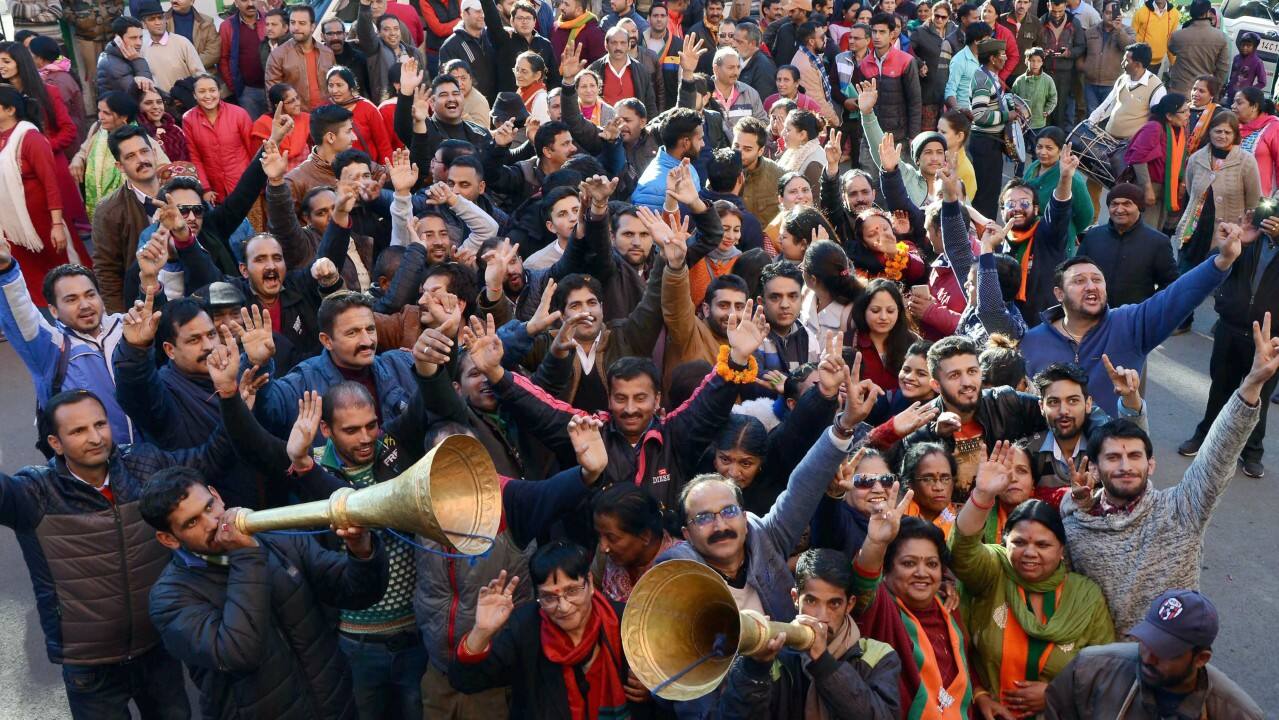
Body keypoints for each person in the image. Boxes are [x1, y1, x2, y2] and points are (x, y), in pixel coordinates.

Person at [0, 387, 242, 719]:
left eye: (100, 424)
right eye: (78, 431)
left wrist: (234, 403)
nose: (95, 437)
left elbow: (206, 459)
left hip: (158, 647)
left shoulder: (144, 464)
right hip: (90, 667)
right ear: (55, 443)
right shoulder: (34, 492)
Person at [1053, 284, 1279, 639]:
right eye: (1113, 457)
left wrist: (1251, 385)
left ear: (1152, 465)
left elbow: (1218, 455)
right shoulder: (1075, 524)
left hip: (1175, 659)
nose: (1125, 465)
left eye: (1135, 457)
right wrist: (1076, 506)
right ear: (1093, 468)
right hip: (1103, 660)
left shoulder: (1181, 511)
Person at [143, 465, 387, 720]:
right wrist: (246, 556)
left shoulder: (277, 537)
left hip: (335, 706)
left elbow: (357, 592)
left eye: (209, 507)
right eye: (192, 522)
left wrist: (361, 550)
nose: (212, 522)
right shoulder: (169, 598)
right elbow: (239, 653)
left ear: (217, 495)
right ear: (169, 539)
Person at [951, 443, 1115, 718]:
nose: (1029, 552)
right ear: (1005, 543)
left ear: (1061, 550)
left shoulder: (1086, 596)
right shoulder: (995, 570)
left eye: (1042, 545)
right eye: (1019, 543)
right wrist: (982, 494)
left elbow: (1106, 670)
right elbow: (962, 551)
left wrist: (1057, 694)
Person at [448, 542, 638, 716]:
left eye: (572, 591)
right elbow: (465, 681)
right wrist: (481, 632)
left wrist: (648, 687)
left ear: (589, 582)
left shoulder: (624, 622)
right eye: (549, 597)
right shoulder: (525, 629)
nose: (563, 607)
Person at [717, 547, 902, 719]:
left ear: (850, 604)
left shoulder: (879, 656)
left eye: (834, 604)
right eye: (811, 601)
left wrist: (823, 662)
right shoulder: (774, 655)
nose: (821, 616)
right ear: (795, 598)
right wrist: (756, 668)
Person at [1045, 589, 1265, 718]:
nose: (1148, 658)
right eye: (1146, 642)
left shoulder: (1236, 713)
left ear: (1201, 659)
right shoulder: (1089, 670)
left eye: (1165, 651)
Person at [852, 499, 976, 717]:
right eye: (909, 563)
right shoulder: (882, 608)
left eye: (932, 564)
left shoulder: (948, 605)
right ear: (886, 570)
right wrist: (875, 542)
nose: (922, 573)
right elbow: (864, 582)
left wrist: (981, 693)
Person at [1179, 211, 1279, 478]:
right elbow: (1213, 265)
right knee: (1220, 389)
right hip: (1230, 327)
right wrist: (1235, 243)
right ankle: (1205, 437)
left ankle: (1252, 452)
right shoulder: (1249, 237)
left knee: (1259, 397)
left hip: (1270, 337)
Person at [592, 482, 683, 602]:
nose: (603, 547)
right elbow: (593, 594)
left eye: (612, 538)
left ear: (645, 536)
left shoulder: (681, 566)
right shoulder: (604, 557)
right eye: (599, 535)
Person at [183, 74, 255, 204]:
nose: (208, 96)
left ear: (219, 91)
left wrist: (258, 180)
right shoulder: (189, 119)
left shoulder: (238, 113)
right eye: (202, 91)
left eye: (212, 90)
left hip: (245, 182)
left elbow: (253, 149)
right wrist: (205, 188)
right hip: (216, 190)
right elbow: (195, 156)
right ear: (194, 95)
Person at [1124, 93, 1189, 233]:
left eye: (1188, 110)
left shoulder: (1179, 130)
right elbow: (1138, 158)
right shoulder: (1154, 128)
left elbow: (1181, 159)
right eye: (1183, 112)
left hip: (1166, 188)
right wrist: (1147, 188)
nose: (1188, 115)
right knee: (1144, 230)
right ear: (1169, 116)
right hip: (1150, 186)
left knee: (1156, 230)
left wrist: (1182, 182)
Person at [1023, 128, 1093, 251]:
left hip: (1057, 241)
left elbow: (1086, 214)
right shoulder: (1034, 167)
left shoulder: (1071, 177)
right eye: (1039, 147)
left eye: (1049, 148)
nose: (1042, 152)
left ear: (1061, 151)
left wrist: (1069, 229)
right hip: (1028, 234)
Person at [970, 38, 1017, 218]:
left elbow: (995, 101)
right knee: (986, 195)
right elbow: (979, 115)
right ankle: (984, 230)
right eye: (1002, 55)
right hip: (985, 146)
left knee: (991, 192)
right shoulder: (983, 80)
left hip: (991, 143)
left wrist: (1011, 105)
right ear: (992, 58)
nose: (1005, 58)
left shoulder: (990, 75)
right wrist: (1007, 116)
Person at [1087, 42, 1166, 143]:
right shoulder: (1123, 79)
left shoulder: (1156, 87)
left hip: (1131, 145)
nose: (1122, 63)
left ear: (1137, 65)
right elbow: (1107, 104)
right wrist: (1090, 122)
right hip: (1108, 139)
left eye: (1126, 61)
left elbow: (1157, 122)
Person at [28, 36, 89, 159]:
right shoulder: (57, 73)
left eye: (30, 54)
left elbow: (60, 117)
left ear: (40, 58)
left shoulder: (55, 81)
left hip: (68, 146)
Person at [266, 5, 335, 112]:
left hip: (327, 114)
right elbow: (273, 95)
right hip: (296, 116)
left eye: (302, 23)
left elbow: (335, 86)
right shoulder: (278, 55)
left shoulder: (327, 53)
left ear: (312, 26)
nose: (296, 27)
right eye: (293, 22)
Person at [357, 0, 427, 104]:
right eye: (386, 29)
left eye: (396, 29)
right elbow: (365, 33)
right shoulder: (375, 49)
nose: (392, 33)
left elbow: (424, 80)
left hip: (413, 104)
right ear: (379, 33)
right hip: (386, 105)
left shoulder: (414, 52)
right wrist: (364, 6)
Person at [325, 66, 393, 167]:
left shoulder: (368, 109)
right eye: (331, 85)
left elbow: (384, 145)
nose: (334, 90)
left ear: (350, 86)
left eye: (339, 85)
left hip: (369, 171)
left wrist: (386, 171)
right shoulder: (327, 111)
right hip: (340, 172)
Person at [488, 0, 560, 95]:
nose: (524, 22)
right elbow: (491, 18)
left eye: (528, 18)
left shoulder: (545, 44)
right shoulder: (504, 40)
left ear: (534, 21)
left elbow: (554, 79)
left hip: (538, 100)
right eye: (520, 18)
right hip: (510, 101)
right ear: (512, 21)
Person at [136, 0, 204, 96]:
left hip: (186, 99)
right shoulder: (142, 48)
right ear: (144, 24)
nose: (158, 22)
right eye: (152, 19)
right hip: (159, 103)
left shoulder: (182, 43)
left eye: (160, 18)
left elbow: (200, 75)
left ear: (165, 20)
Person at [219, 0, 270, 120]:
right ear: (236, 3)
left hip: (271, 87)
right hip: (247, 91)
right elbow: (224, 58)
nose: (250, 4)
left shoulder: (269, 20)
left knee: (275, 126)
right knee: (252, 127)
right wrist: (235, 87)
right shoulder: (227, 26)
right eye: (244, 0)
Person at [1081, 2, 1134, 117]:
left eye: (1114, 13)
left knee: (1108, 117)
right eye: (1108, 13)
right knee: (1092, 117)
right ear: (1102, 13)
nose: (1110, 16)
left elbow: (1129, 48)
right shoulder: (1091, 31)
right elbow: (1082, 53)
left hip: (1112, 84)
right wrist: (1084, 68)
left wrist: (1119, 30)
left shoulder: (1127, 31)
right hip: (1091, 83)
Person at [1165, 0, 1229, 97]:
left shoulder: (1177, 36)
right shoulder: (1221, 37)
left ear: (1191, 12)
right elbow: (1222, 69)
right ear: (1208, 13)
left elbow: (1172, 49)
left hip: (1178, 91)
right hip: (1202, 93)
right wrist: (1214, 92)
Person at [1040, 0, 1084, 128]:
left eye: (1060, 11)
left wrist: (1069, 53)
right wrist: (1042, 52)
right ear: (1048, 5)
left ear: (1066, 6)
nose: (1057, 15)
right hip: (1045, 71)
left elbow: (1081, 46)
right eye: (1053, 11)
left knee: (1061, 109)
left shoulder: (1074, 23)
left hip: (1065, 74)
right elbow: (1034, 45)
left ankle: (1057, 136)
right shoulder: (1041, 22)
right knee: (1044, 107)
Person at [251, 83, 311, 171]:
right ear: (278, 105)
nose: (298, 103)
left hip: (307, 171)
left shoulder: (306, 118)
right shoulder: (262, 125)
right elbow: (259, 161)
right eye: (291, 101)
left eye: (297, 98)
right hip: (277, 174)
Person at [1233, 87, 1279, 196]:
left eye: (1239, 103)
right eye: (1234, 102)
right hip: (1230, 197)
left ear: (1254, 107)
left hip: (1261, 199)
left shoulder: (1274, 127)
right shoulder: (1232, 127)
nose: (1233, 106)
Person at [97, 16, 156, 99]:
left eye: (141, 37)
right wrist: (138, 60)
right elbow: (145, 93)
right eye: (133, 38)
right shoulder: (111, 63)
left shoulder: (128, 56)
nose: (139, 43)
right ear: (118, 39)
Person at [138, 87, 190, 162]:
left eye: (159, 102)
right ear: (139, 106)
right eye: (148, 103)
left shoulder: (175, 129)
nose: (156, 107)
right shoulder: (140, 135)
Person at [551, 0, 606, 65]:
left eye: (566, 4)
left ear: (578, 10)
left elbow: (599, 65)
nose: (561, 7)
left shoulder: (594, 33)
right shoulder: (556, 26)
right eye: (562, 2)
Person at [1131, 0, 1179, 69]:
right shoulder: (1141, 12)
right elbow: (1132, 36)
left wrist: (1173, 62)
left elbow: (1171, 40)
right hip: (1139, 60)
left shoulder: (1174, 14)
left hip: (1157, 63)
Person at [1225, 32, 1266, 105]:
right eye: (1243, 45)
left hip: (1243, 98)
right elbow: (1232, 76)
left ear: (1254, 47)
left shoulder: (1257, 62)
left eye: (1248, 46)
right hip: (1230, 95)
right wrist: (1228, 87)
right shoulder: (1236, 58)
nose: (1245, 48)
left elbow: (1262, 82)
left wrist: (1249, 91)